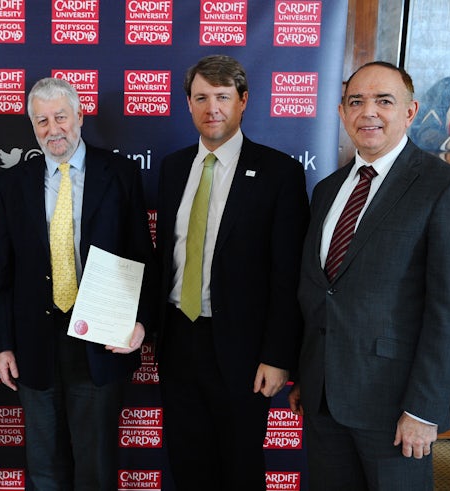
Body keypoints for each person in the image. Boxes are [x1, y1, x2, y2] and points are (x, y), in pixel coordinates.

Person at [290, 62, 450, 490]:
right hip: (323, 398)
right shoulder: (327, 190)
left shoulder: (445, 187)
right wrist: (307, 374)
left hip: (396, 407)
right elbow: (320, 291)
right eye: (356, 102)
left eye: (384, 101)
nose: (368, 112)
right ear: (341, 112)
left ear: (410, 111)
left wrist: (424, 409)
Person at [0, 77, 155, 491]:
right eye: (42, 121)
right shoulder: (11, 183)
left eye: (60, 117)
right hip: (34, 345)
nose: (53, 129)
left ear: (80, 116)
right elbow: (2, 271)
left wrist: (140, 321)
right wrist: (3, 343)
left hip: (100, 340)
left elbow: (141, 255)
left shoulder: (120, 173)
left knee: (95, 468)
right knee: (44, 467)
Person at [155, 54, 309, 489]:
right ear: (188, 103)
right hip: (178, 339)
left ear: (243, 101)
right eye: (201, 97)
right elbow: (164, 258)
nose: (212, 108)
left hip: (244, 350)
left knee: (240, 467)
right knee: (187, 464)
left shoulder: (280, 172)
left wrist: (277, 356)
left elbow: (287, 274)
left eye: (223, 97)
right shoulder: (172, 168)